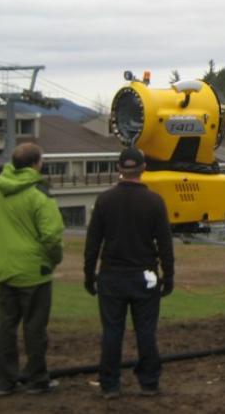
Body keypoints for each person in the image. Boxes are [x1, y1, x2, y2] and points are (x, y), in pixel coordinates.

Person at [83, 147, 175, 400]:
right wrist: (169, 276)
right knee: (146, 331)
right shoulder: (155, 202)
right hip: (144, 276)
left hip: (112, 276)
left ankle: (110, 384)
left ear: (118, 169)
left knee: (112, 332)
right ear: (144, 168)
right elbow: (165, 245)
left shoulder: (104, 200)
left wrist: (89, 275)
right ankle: (149, 382)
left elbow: (92, 244)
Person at [0, 142, 65, 396]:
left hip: (5, 270)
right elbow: (52, 236)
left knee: (6, 327)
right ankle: (36, 378)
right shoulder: (39, 194)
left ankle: (5, 380)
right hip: (34, 272)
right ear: (36, 163)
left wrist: (4, 248)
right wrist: (53, 258)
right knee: (34, 327)